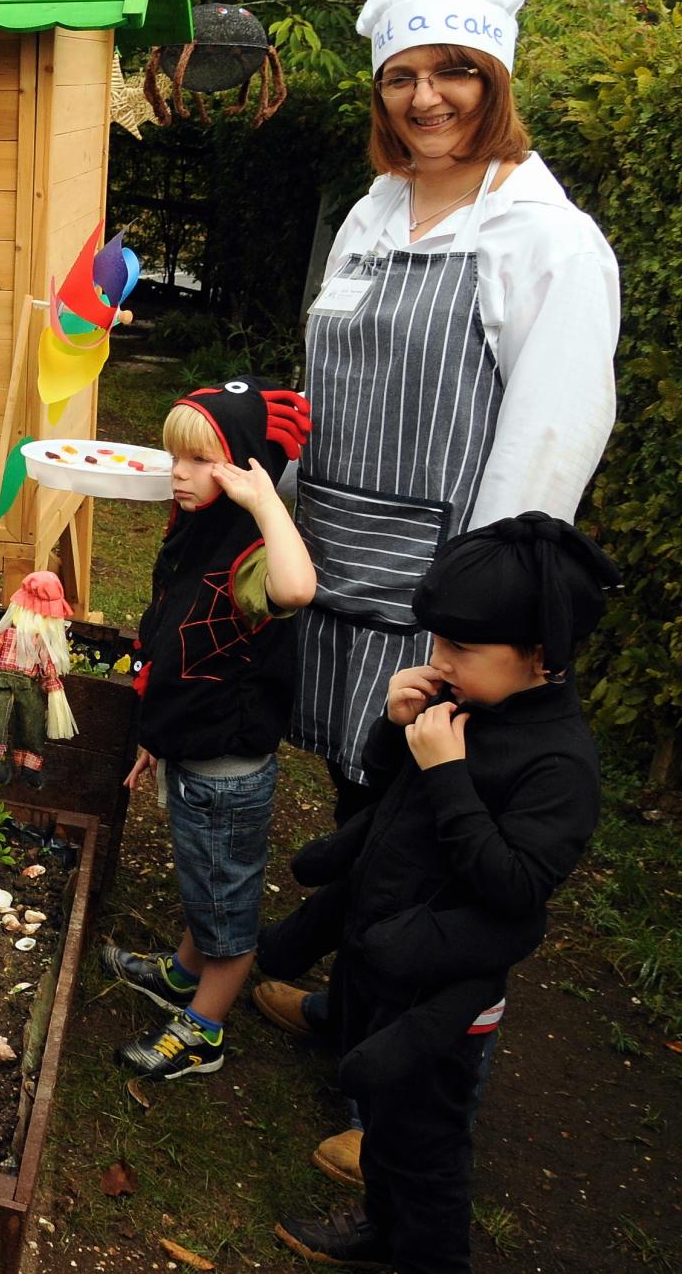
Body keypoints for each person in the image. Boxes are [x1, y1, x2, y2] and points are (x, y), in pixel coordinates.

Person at [261, 0, 620, 1182]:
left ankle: (401, 1114)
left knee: (433, 855)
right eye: (405, 72)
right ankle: (349, 1011)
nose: (427, 97)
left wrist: (468, 634)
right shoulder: (371, 211)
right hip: (343, 572)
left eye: (454, 71)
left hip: (439, 596)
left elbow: (549, 445)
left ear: (495, 79)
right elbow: (339, 383)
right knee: (370, 817)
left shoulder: (548, 241)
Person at [266, 515, 615, 1274]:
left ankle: (427, 1254)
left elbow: (516, 887)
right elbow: (383, 812)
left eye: (461, 648)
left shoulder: (558, 767)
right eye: (436, 641)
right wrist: (395, 733)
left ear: (540, 656)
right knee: (389, 1130)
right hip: (384, 953)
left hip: (447, 993)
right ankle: (382, 1231)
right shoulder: (469, 707)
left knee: (428, 1145)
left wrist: (450, 777)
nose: (439, 660)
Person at [102, 378, 316, 1079]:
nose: (179, 473)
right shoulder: (194, 536)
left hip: (227, 774)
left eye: (201, 461)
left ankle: (204, 1030)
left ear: (246, 466)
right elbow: (175, 646)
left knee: (228, 913)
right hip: (193, 758)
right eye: (176, 457)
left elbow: (296, 591)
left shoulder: (256, 550)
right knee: (206, 881)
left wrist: (265, 503)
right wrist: (154, 736)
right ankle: (181, 971)